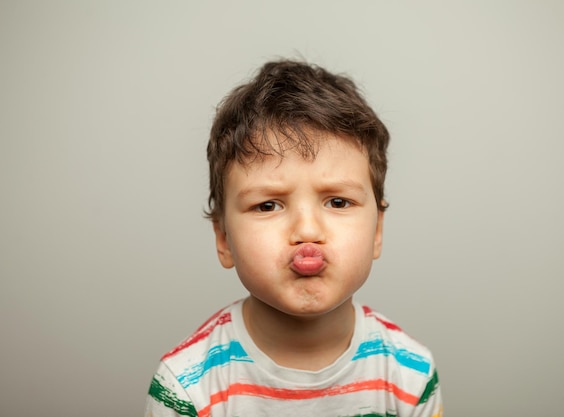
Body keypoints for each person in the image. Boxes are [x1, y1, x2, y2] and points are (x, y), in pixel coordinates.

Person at [144, 59, 443, 417]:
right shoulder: (185, 387)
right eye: (268, 205)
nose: (306, 231)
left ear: (377, 231)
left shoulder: (411, 376)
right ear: (223, 239)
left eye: (337, 201)